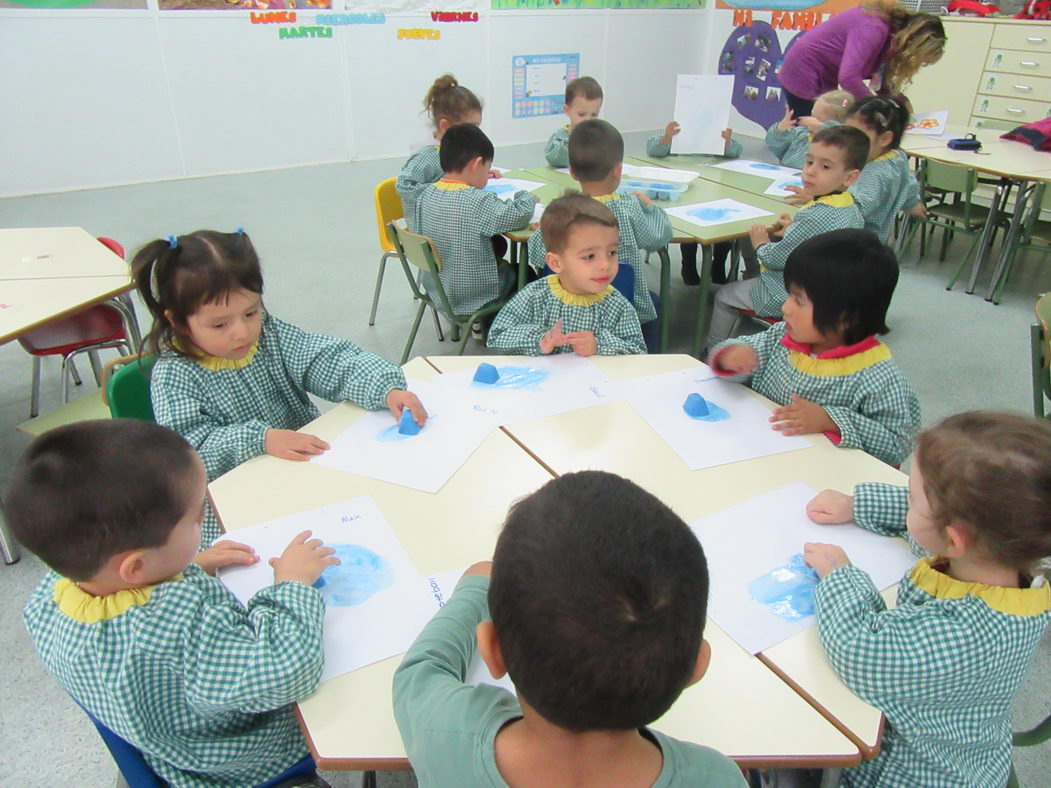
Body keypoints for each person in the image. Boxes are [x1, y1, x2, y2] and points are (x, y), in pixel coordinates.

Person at [12, 419, 340, 788]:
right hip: (234, 762)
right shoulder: (177, 624)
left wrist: (187, 561)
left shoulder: (49, 595)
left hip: (158, 737)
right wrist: (292, 584)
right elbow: (285, 673)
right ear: (136, 566)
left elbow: (127, 592)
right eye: (196, 517)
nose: (205, 519)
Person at [393, 470, 747, 787]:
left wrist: (474, 590)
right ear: (697, 666)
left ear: (492, 650)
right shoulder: (718, 778)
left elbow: (420, 671)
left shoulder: (445, 734)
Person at [803, 411, 1051, 786]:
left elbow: (858, 649)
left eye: (914, 497)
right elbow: (926, 531)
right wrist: (857, 505)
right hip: (972, 741)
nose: (907, 500)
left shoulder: (964, 635)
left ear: (954, 539)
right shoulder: (1000, 561)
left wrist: (840, 574)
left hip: (921, 771)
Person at [132, 229, 423, 546]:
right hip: (235, 500)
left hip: (305, 470)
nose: (242, 332)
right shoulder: (174, 375)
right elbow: (191, 452)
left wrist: (384, 387)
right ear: (177, 321)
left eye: (251, 312)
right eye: (219, 324)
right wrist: (260, 439)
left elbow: (325, 359)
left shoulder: (269, 334)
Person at [709, 229, 920, 468]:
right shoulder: (782, 336)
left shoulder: (879, 376)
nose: (785, 308)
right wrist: (732, 355)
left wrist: (831, 420)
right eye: (790, 296)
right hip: (766, 455)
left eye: (799, 301)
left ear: (845, 317)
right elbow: (743, 353)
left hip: (824, 476)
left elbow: (897, 444)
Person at [706, 125, 868, 350]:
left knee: (724, 295)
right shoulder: (849, 206)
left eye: (825, 166)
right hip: (829, 289)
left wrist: (761, 243)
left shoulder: (816, 215)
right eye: (809, 162)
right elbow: (818, 240)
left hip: (790, 292)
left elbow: (775, 259)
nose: (811, 171)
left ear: (850, 177)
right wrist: (793, 230)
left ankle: (712, 351)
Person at [529, 119, 671, 353]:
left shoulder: (563, 215)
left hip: (569, 309)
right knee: (653, 302)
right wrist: (651, 208)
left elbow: (537, 255)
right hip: (625, 304)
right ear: (618, 170)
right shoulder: (630, 207)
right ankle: (646, 357)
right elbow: (660, 236)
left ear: (572, 172)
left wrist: (547, 230)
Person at [488, 193, 645, 356]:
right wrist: (541, 340)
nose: (605, 264)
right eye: (589, 256)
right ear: (556, 263)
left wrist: (598, 346)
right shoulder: (536, 295)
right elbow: (497, 336)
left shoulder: (616, 305)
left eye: (612, 252)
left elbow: (638, 352)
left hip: (594, 380)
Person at [414, 123, 536, 322]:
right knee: (526, 273)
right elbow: (518, 214)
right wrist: (527, 197)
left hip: (438, 288)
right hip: (472, 295)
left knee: (495, 246)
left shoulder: (425, 195)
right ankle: (496, 326)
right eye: (487, 167)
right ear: (476, 164)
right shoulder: (477, 201)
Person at [779, 2, 946, 117]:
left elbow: (878, 80)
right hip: (804, 72)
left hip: (824, 76)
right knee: (808, 138)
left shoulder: (891, 37)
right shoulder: (873, 28)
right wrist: (877, 107)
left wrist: (898, 101)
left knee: (826, 134)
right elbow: (848, 77)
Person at [645, 124, 742, 287]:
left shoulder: (717, 134)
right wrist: (667, 137)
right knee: (690, 224)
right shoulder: (676, 134)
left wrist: (727, 142)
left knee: (723, 225)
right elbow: (653, 149)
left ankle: (718, 264)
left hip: (715, 186)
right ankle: (688, 265)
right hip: (686, 187)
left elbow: (736, 151)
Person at [397, 74, 487, 229]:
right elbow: (404, 186)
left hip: (446, 222)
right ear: (445, 126)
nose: (474, 133)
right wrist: (443, 191)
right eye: (470, 127)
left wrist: (480, 172)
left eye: (477, 127)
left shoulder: (457, 150)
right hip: (430, 232)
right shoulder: (428, 155)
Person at [844, 95, 924, 243]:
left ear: (885, 139)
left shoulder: (875, 174)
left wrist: (822, 199)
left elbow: (853, 209)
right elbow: (909, 182)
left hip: (856, 244)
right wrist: (912, 203)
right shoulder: (897, 156)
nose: (847, 142)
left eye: (856, 136)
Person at [765, 89, 853, 170]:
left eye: (817, 119)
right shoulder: (800, 134)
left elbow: (841, 135)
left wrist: (821, 127)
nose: (809, 122)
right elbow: (773, 145)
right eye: (812, 116)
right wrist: (781, 129)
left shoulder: (839, 148)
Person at [544, 76, 604, 168]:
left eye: (594, 114)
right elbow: (555, 159)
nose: (588, 120)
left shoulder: (599, 134)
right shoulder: (561, 136)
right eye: (581, 114)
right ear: (567, 110)